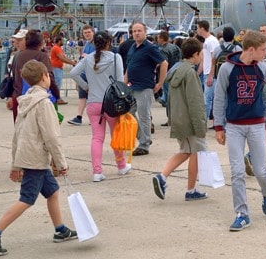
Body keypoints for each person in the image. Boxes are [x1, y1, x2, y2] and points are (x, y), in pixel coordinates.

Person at [0, 60, 76, 256]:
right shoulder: (44, 104)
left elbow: (17, 134)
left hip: (28, 155)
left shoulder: (25, 101)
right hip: (36, 158)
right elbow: (52, 137)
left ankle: (60, 229)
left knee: (52, 191)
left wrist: (15, 163)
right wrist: (61, 162)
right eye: (48, 75)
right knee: (27, 199)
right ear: (44, 77)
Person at [213, 30, 266, 232]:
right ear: (251, 49)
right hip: (234, 126)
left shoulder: (262, 69)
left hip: (257, 125)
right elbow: (220, 97)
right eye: (263, 49)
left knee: (260, 171)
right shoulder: (227, 69)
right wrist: (219, 126)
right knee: (237, 171)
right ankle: (242, 213)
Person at [152, 38, 209, 201]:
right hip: (189, 120)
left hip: (177, 118)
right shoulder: (190, 73)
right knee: (195, 152)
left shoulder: (176, 70)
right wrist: (201, 126)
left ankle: (163, 177)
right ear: (196, 54)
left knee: (186, 151)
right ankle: (189, 189)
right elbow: (195, 102)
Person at [70, 31, 131, 181]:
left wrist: (86, 86)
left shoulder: (88, 59)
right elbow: (118, 81)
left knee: (97, 138)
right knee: (115, 136)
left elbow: (73, 73)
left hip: (93, 102)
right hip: (111, 103)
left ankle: (97, 172)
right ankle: (121, 165)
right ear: (109, 42)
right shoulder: (116, 58)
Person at [126, 22, 167, 156]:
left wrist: (160, 83)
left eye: (139, 30)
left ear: (145, 32)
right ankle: (143, 138)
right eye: (134, 31)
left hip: (144, 87)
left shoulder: (150, 47)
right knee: (127, 114)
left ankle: (144, 144)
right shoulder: (133, 47)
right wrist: (123, 83)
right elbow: (129, 66)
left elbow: (164, 63)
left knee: (144, 116)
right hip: (131, 87)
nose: (136, 33)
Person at [11, 31, 60, 123]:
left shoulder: (17, 55)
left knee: (20, 129)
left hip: (19, 96)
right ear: (40, 43)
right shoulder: (41, 56)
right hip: (37, 99)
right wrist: (56, 94)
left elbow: (13, 76)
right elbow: (48, 76)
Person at [68, 25, 95, 125]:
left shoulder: (96, 44)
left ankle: (93, 118)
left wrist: (87, 57)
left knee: (92, 97)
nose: (87, 34)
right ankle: (79, 117)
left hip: (92, 74)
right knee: (82, 96)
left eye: (89, 32)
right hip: (84, 73)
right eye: (85, 33)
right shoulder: (87, 44)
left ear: (93, 32)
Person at [196, 20, 220, 119]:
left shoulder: (211, 41)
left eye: (197, 28)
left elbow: (214, 59)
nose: (197, 30)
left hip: (211, 74)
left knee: (207, 99)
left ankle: (204, 121)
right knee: (208, 99)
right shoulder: (207, 41)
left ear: (202, 28)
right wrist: (197, 73)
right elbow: (204, 60)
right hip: (207, 73)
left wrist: (211, 75)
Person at [49, 35, 75, 105]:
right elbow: (62, 58)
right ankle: (57, 98)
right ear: (59, 41)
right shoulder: (57, 48)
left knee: (57, 83)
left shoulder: (58, 48)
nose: (63, 42)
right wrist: (71, 62)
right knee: (57, 84)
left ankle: (57, 98)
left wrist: (71, 61)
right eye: (62, 40)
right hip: (56, 68)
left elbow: (64, 57)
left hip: (57, 67)